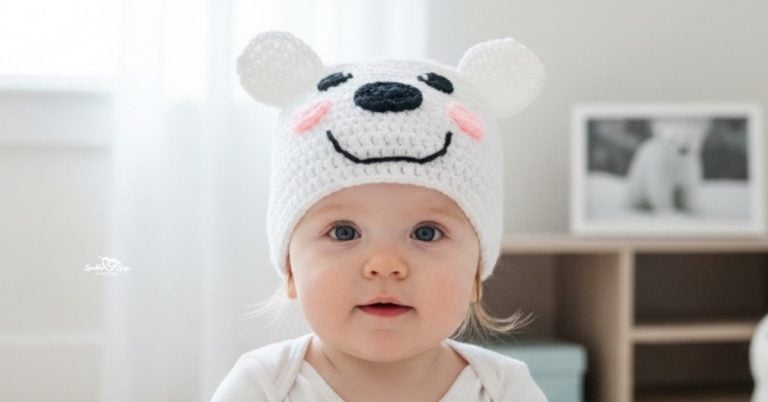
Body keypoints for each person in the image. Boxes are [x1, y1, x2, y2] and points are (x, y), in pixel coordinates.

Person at [211, 31, 547, 402]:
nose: (385, 265)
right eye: (342, 232)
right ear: (290, 268)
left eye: (426, 233)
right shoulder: (264, 385)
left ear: (475, 275)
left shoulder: (503, 388)